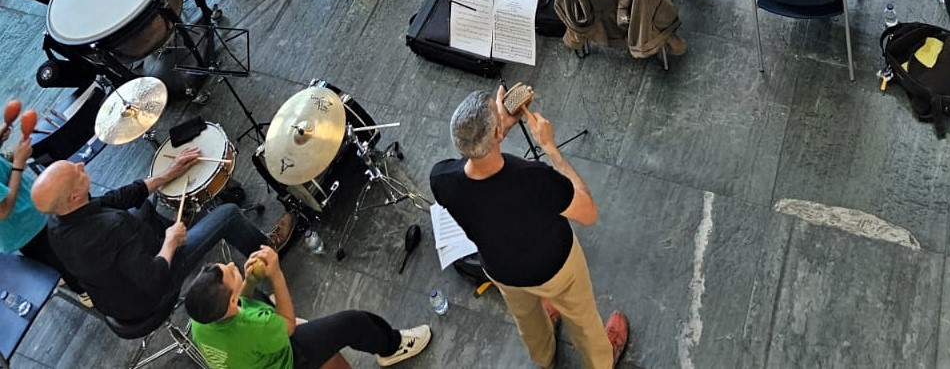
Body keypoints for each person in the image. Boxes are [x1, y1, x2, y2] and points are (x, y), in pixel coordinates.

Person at [431, 90, 629, 369]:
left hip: (502, 271)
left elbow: (483, 172)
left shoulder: (441, 178)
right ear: (496, 133)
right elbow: (588, 212)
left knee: (526, 318)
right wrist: (550, 147)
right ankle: (601, 361)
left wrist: (497, 131)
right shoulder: (534, 178)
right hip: (556, 268)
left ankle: (544, 357)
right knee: (583, 318)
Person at [31, 154, 292, 329]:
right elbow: (154, 280)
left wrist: (168, 174)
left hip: (114, 296)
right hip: (149, 297)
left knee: (142, 207)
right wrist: (170, 241)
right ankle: (268, 254)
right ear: (74, 196)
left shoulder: (56, 223)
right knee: (228, 214)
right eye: (76, 173)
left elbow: (116, 199)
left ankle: (181, 231)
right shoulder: (113, 228)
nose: (81, 165)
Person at [185, 245, 430, 369]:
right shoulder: (255, 325)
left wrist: (248, 281)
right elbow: (289, 326)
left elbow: (242, 303)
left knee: (260, 297)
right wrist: (276, 274)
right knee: (353, 323)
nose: (231, 264)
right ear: (230, 302)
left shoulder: (200, 319)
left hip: (255, 356)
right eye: (231, 273)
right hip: (287, 360)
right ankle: (392, 347)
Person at [0, 104, 52, 261]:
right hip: (28, 230)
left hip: (36, 213)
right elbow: (3, 210)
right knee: (72, 266)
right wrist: (19, 162)